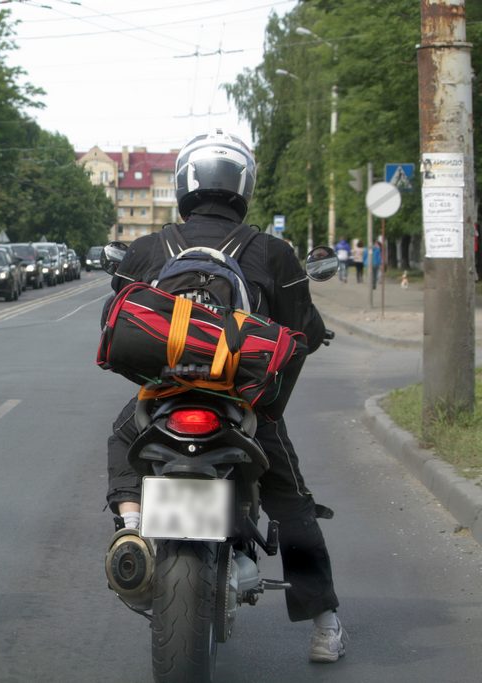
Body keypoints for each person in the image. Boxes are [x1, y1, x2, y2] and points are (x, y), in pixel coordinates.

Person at [104, 130, 347, 663]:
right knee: (290, 499)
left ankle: (132, 528)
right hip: (241, 402)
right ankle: (325, 624)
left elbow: (115, 317)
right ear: (243, 186)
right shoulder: (273, 252)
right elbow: (301, 331)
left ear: (185, 183)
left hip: (166, 395)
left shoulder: (148, 249)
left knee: (123, 438)